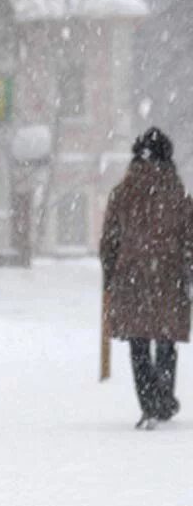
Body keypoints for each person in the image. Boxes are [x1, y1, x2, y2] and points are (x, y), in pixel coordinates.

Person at [100, 126, 193, 429]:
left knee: (138, 342)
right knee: (165, 339)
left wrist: (110, 272)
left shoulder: (122, 193)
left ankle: (149, 402)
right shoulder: (178, 194)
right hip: (169, 275)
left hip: (131, 275)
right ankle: (163, 397)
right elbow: (189, 240)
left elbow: (110, 240)